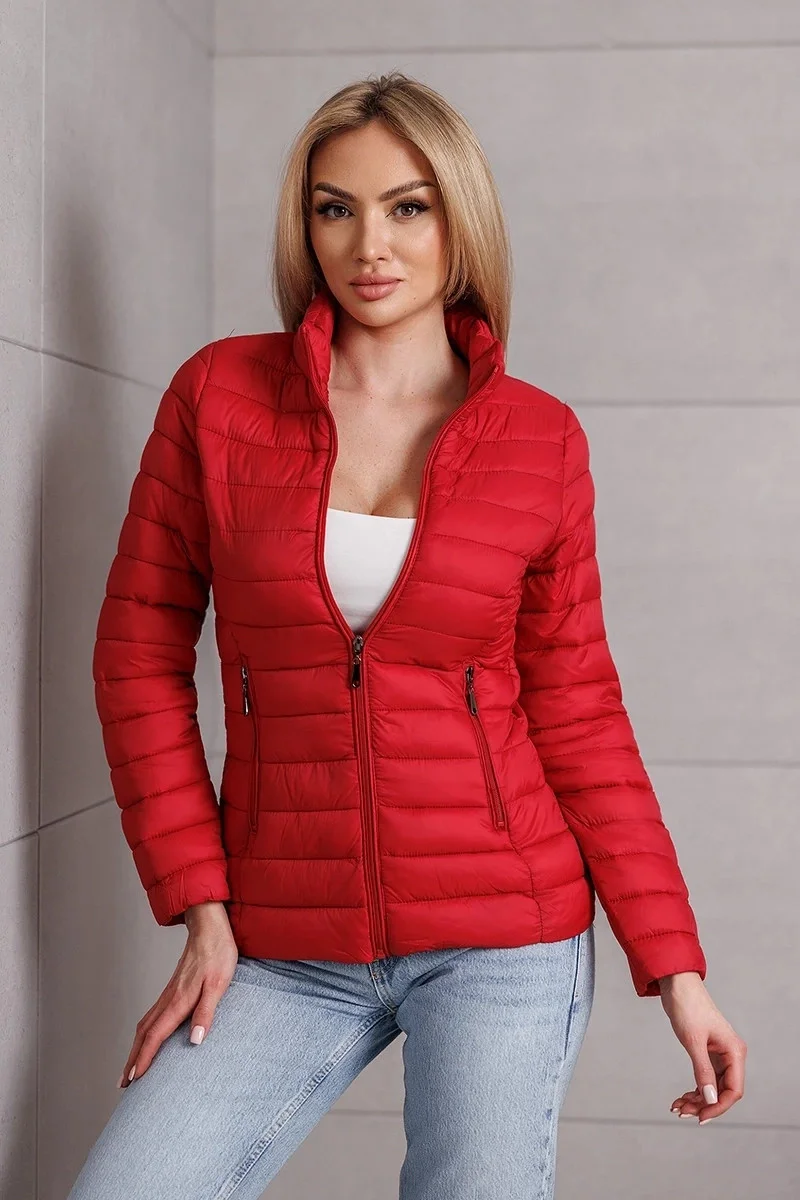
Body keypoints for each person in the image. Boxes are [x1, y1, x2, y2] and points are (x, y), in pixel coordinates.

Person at [67, 71, 746, 1199]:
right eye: (335, 208)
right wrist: (204, 908)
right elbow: (136, 657)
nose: (368, 245)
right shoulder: (218, 399)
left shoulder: (539, 441)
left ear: (458, 221)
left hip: (502, 936)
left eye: (407, 207)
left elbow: (578, 710)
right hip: (280, 937)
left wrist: (674, 968)